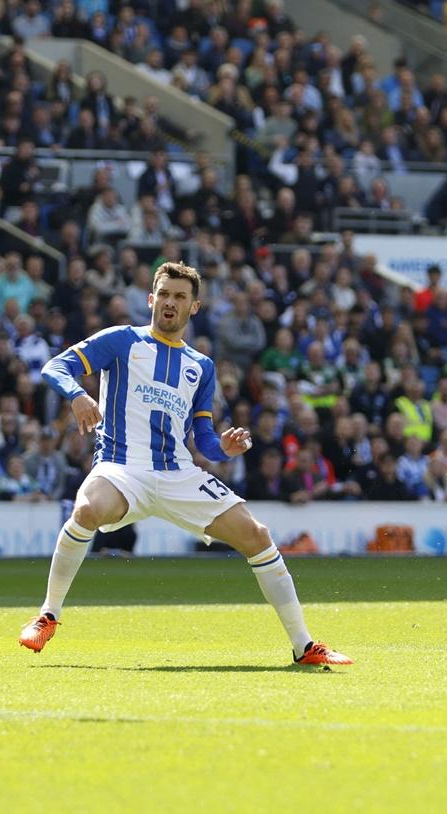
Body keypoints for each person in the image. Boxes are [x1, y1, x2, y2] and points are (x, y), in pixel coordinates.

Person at [19, 262, 352, 667]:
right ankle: (48, 615)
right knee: (87, 509)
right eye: (164, 294)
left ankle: (304, 646)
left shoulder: (202, 367)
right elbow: (56, 366)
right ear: (150, 299)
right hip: (123, 466)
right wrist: (77, 395)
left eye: (180, 296)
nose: (170, 302)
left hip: (178, 472)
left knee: (257, 535)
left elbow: (204, 439)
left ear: (195, 306)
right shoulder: (123, 340)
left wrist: (224, 449)